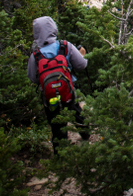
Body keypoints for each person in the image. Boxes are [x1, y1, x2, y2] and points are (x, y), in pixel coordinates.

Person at [27, 16, 89, 154]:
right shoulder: (65, 46)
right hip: (68, 90)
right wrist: (82, 54)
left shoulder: (35, 55)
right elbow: (82, 65)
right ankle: (86, 136)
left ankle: (60, 153)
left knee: (55, 124)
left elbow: (32, 77)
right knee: (76, 112)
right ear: (53, 28)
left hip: (49, 96)